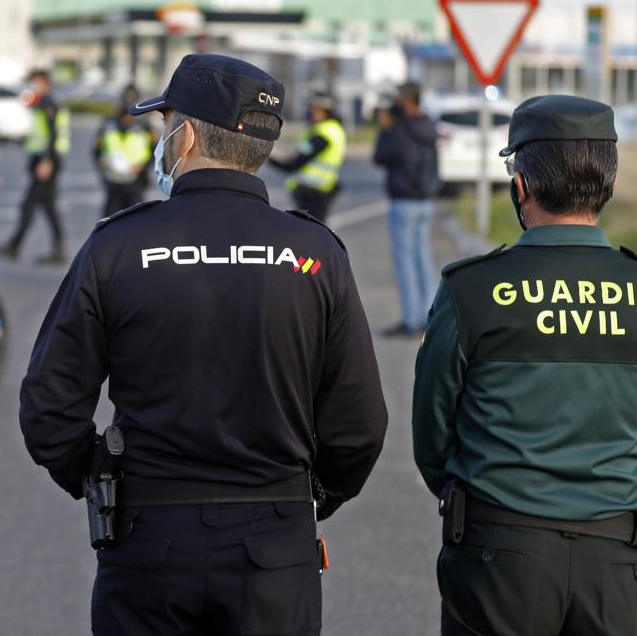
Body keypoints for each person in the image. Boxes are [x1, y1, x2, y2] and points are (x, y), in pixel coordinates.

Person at [20, 53, 388, 636]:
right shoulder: (316, 254)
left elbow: (49, 406)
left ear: (186, 136)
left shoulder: (117, 247)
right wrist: (306, 496)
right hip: (275, 543)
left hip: (148, 538)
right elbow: (359, 424)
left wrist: (99, 478)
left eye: (164, 125)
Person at [412, 95, 637, 636]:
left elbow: (433, 433)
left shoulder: (472, 288)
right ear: (610, 185)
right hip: (614, 557)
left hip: (497, 552)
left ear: (521, 187)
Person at [372, 82, 440, 337]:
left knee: (405, 260)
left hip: (404, 200)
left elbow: (380, 156)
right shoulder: (429, 125)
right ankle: (429, 317)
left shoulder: (400, 130)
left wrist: (384, 129)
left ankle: (411, 320)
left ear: (406, 99)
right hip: (425, 199)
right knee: (422, 257)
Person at [3, 69, 69, 264]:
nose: (32, 87)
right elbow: (39, 132)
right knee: (46, 207)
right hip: (41, 159)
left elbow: (53, 134)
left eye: (35, 83)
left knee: (31, 206)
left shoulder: (49, 104)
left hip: (47, 161)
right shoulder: (41, 104)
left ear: (45, 84)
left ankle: (15, 246)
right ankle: (54, 250)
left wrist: (46, 161)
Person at [269, 91, 347, 222]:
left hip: (313, 193)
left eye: (314, 109)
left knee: (310, 231)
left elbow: (294, 164)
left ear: (323, 110)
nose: (311, 112)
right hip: (318, 192)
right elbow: (301, 156)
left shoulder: (324, 133)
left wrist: (267, 157)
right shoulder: (331, 129)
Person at [91, 85, 154, 217]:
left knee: (135, 222)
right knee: (109, 223)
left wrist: (142, 167)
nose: (127, 117)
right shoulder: (108, 124)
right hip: (113, 183)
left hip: (136, 184)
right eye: (125, 111)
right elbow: (96, 150)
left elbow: (155, 152)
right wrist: (102, 164)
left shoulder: (145, 127)